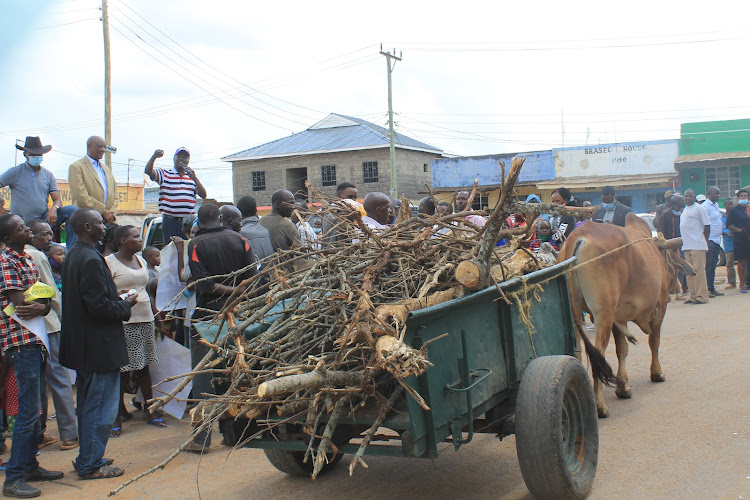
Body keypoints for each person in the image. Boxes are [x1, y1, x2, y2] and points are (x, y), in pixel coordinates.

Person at [60, 208, 136, 480]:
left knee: (90, 403)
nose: (105, 226)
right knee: (100, 406)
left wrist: (114, 299)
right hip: (98, 345)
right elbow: (98, 306)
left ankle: (89, 456)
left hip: (87, 345)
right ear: (87, 227)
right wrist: (124, 305)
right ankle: (90, 463)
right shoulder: (89, 258)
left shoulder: (76, 254)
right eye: (99, 223)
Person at [0, 214, 64, 498]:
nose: (27, 229)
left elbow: (44, 296)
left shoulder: (26, 257)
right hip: (21, 341)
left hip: (35, 339)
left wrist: (43, 305)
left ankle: (29, 466)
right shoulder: (6, 262)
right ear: (7, 237)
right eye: (21, 228)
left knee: (36, 408)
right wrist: (41, 305)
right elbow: (21, 304)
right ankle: (14, 477)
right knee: (28, 411)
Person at [187, 203, 256, 452]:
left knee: (204, 376)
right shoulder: (241, 240)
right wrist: (238, 291)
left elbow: (205, 284)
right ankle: (234, 433)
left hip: (208, 317)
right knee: (233, 370)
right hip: (240, 315)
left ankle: (201, 438)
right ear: (220, 218)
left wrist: (229, 291)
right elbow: (253, 277)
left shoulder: (195, 245)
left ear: (199, 220)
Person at [105, 226, 165, 436]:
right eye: (135, 237)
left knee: (144, 368)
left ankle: (151, 411)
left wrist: (158, 320)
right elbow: (106, 292)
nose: (139, 240)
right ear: (122, 240)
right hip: (124, 322)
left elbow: (147, 291)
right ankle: (116, 417)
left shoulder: (140, 260)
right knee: (122, 371)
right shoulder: (109, 262)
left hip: (145, 318)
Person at [25, 221, 78, 451]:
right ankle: (69, 433)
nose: (49, 237)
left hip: (24, 326)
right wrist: (63, 316)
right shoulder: (36, 256)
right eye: (43, 234)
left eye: (49, 233)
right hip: (47, 324)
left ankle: (38, 433)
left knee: (35, 383)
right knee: (59, 379)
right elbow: (50, 290)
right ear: (31, 235)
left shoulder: (11, 256)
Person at [3, 136, 78, 247]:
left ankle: (72, 248)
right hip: (23, 222)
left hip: (44, 219)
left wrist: (54, 209)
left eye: (39, 155)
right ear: (26, 155)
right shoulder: (15, 172)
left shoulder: (48, 175)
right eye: (33, 155)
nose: (36, 157)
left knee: (72, 210)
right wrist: (3, 212)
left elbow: (57, 200)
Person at [144, 148, 207, 246]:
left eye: (185, 157)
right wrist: (155, 156)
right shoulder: (165, 174)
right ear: (174, 159)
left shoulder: (191, 178)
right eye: (179, 156)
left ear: (188, 160)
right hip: (171, 221)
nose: (182, 159)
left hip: (188, 222)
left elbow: (203, 195)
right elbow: (148, 171)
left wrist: (194, 178)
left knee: (189, 248)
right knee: (171, 250)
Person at [68, 136, 118, 224]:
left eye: (104, 147)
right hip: (88, 221)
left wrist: (110, 213)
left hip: (108, 221)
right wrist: (102, 211)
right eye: (100, 146)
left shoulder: (106, 169)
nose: (103, 150)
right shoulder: (77, 167)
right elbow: (81, 197)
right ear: (89, 146)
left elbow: (115, 195)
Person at [680, 189, 710, 304]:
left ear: (694, 197)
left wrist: (705, 241)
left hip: (698, 244)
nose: (687, 198)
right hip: (687, 245)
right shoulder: (686, 209)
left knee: (699, 272)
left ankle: (701, 296)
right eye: (686, 196)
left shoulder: (699, 208)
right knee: (689, 272)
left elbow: (706, 226)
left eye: (690, 196)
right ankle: (692, 296)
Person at [658, 194, 688, 299]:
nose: (683, 202)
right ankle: (676, 291)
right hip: (670, 246)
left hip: (684, 244)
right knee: (673, 269)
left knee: (683, 267)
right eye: (681, 201)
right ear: (675, 202)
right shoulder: (666, 214)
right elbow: (660, 231)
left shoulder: (684, 213)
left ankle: (683, 289)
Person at [237, 195, 274, 271]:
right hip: (271, 277)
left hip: (254, 279)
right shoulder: (265, 231)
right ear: (256, 211)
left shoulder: (240, 234)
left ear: (239, 213)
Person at [726, 189, 750, 292]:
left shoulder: (749, 209)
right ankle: (742, 284)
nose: (744, 198)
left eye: (745, 196)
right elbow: (729, 225)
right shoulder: (734, 210)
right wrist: (739, 231)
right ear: (738, 198)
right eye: (742, 196)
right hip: (741, 239)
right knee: (742, 262)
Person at [703, 186, 724, 297]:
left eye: (719, 193)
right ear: (709, 194)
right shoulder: (705, 207)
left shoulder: (715, 206)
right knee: (708, 266)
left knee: (713, 265)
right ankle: (706, 289)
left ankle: (711, 288)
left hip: (717, 240)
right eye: (716, 193)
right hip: (709, 239)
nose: (718, 196)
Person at [722, 199, 736, 289]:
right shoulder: (722, 217)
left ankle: (745, 281)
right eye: (728, 204)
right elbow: (718, 228)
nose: (730, 206)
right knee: (730, 264)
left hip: (737, 241)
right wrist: (725, 233)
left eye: (731, 204)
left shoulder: (736, 215)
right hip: (728, 243)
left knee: (743, 263)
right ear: (725, 205)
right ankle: (732, 282)